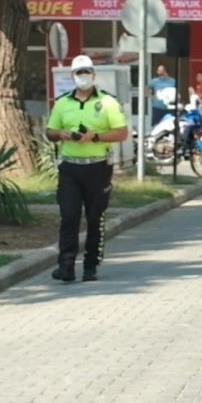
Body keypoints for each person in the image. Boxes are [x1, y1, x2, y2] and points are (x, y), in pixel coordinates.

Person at [45, 55, 130, 283]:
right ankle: (66, 266)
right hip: (70, 167)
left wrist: (96, 137)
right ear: (72, 76)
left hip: (98, 167)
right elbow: (50, 131)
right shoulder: (63, 102)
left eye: (86, 72)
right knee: (69, 216)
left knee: (95, 217)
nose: (83, 76)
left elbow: (122, 132)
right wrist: (60, 134)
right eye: (78, 72)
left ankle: (91, 265)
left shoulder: (108, 102)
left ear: (93, 74)